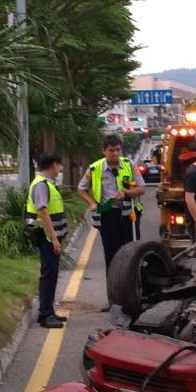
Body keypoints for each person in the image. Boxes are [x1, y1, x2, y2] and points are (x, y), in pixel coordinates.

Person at [79, 134, 146, 271]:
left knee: (131, 250)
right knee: (111, 251)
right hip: (107, 214)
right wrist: (92, 203)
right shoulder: (94, 168)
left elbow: (141, 188)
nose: (115, 153)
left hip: (129, 214)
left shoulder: (129, 165)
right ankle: (113, 284)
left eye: (118, 150)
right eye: (111, 150)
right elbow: (81, 189)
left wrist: (126, 193)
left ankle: (132, 282)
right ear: (104, 151)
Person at [25, 153, 68, 329]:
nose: (60, 169)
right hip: (46, 237)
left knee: (51, 275)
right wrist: (54, 239)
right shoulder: (41, 185)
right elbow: (43, 213)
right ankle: (45, 315)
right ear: (53, 165)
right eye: (59, 165)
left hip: (49, 236)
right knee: (48, 275)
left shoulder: (47, 184)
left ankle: (49, 311)